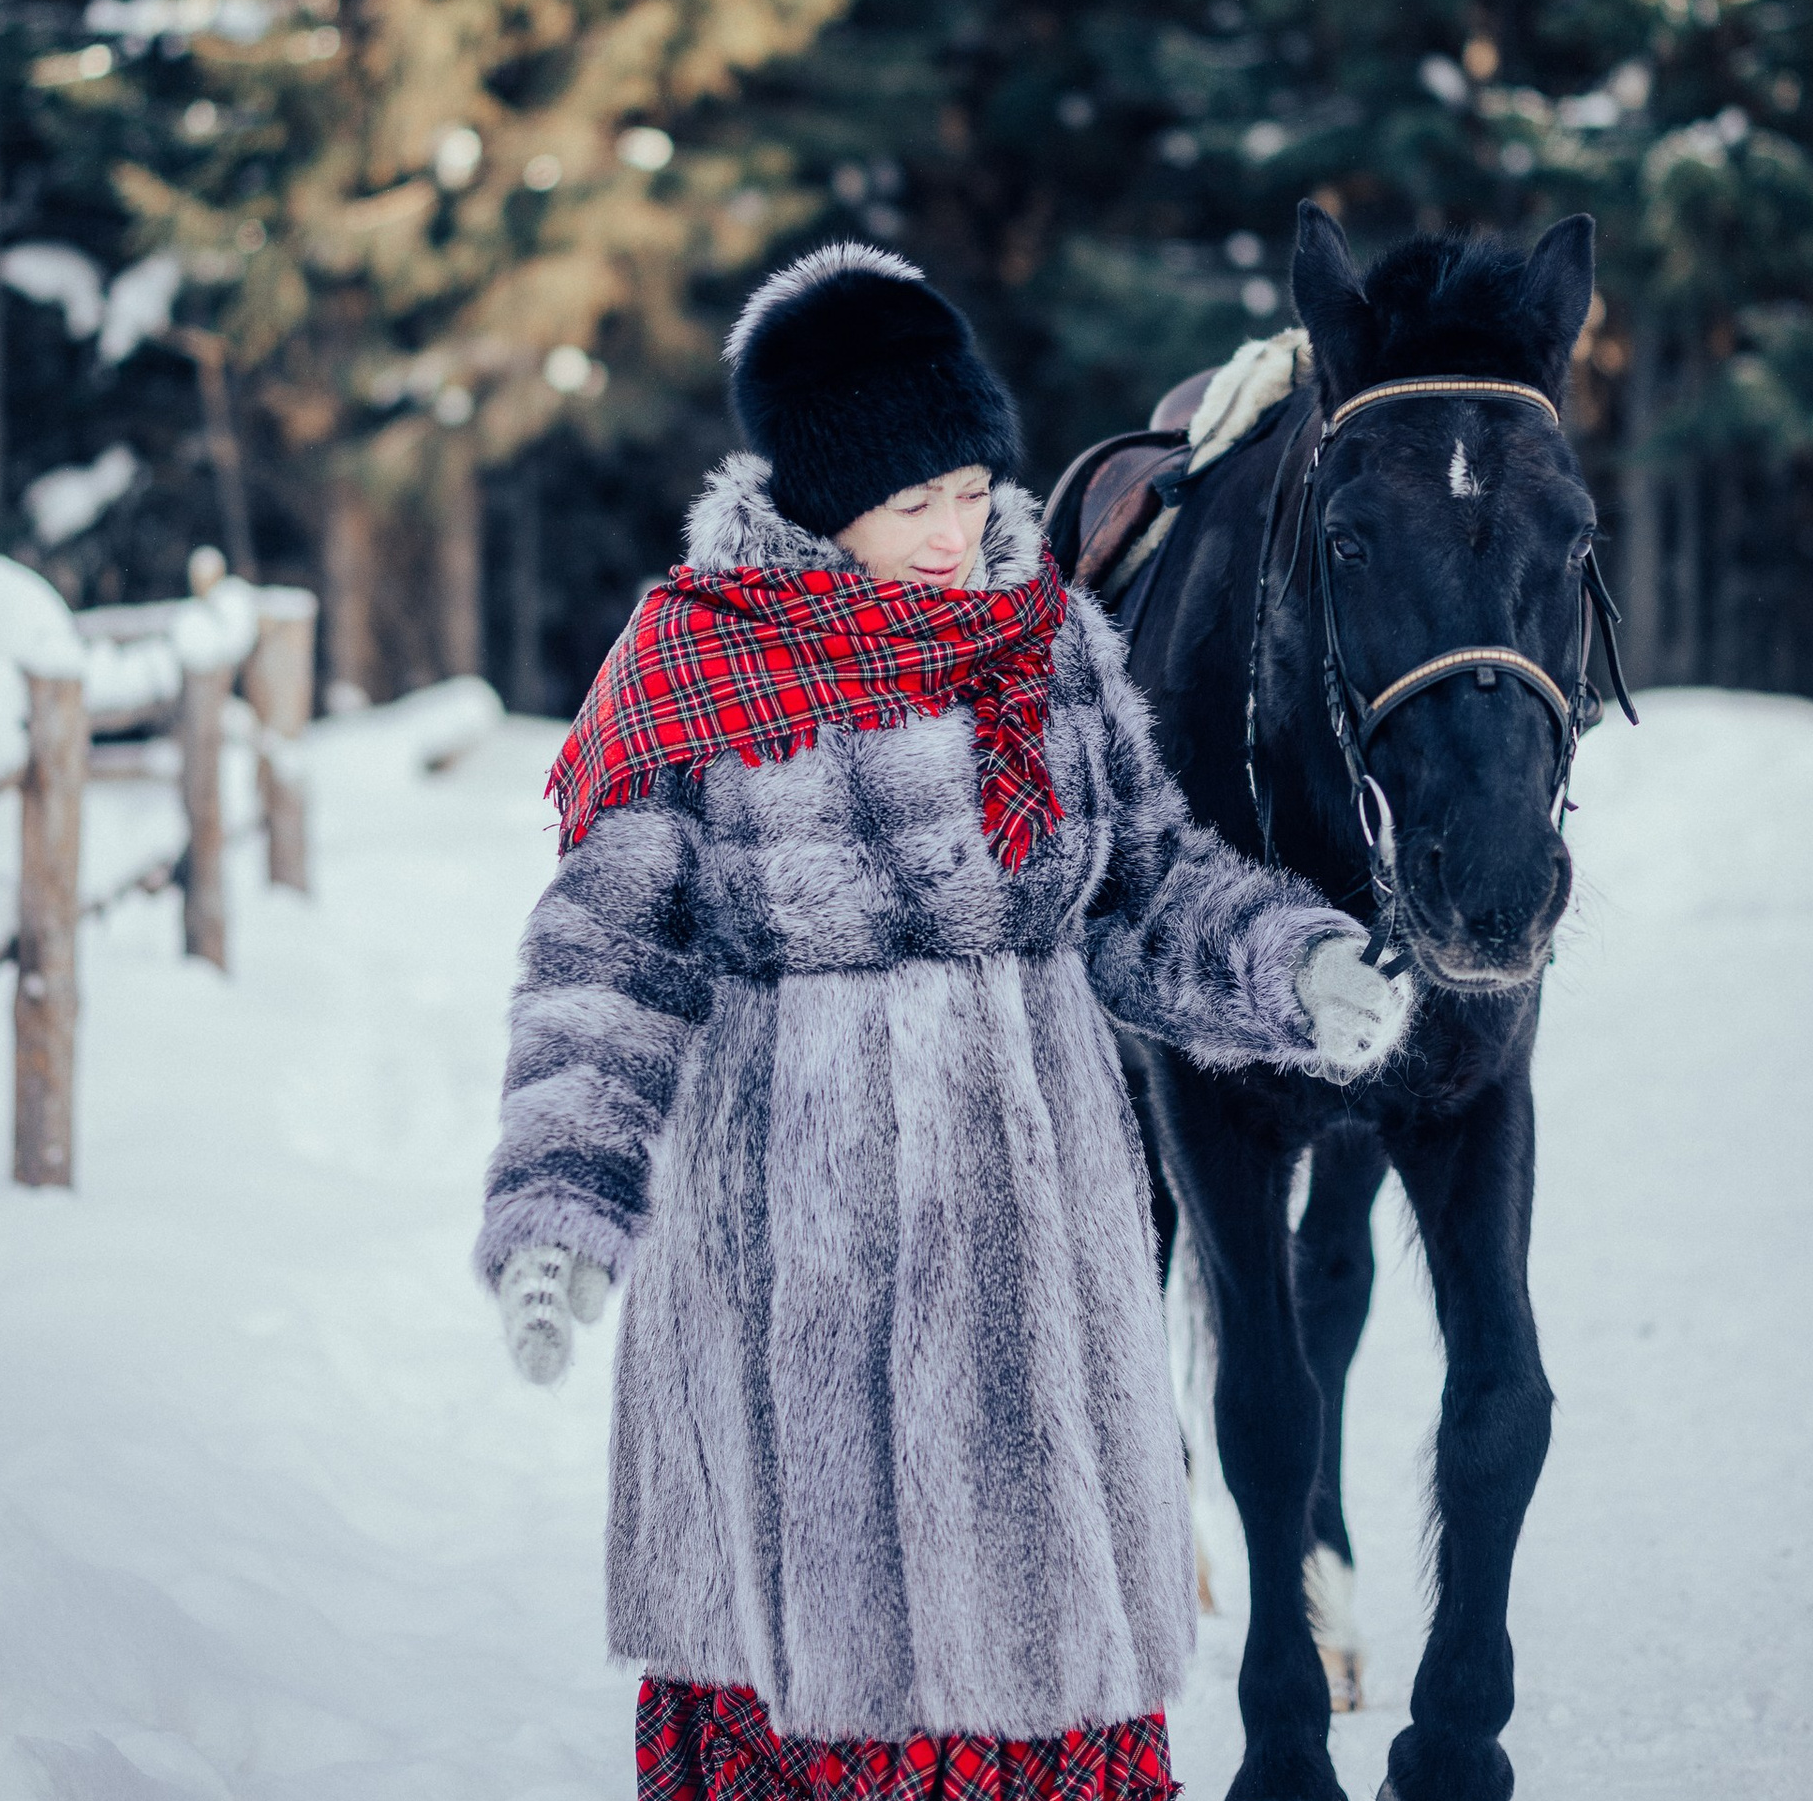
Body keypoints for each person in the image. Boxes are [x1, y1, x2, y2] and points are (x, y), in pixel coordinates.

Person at [476, 245, 1413, 1801]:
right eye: (915, 500)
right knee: (829, 1660)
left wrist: (1290, 965)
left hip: (1034, 1265)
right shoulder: (692, 668)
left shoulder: (1037, 646)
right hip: (797, 1275)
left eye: (975, 485)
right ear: (820, 497)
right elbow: (606, 966)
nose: (959, 525)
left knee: (1037, 1647)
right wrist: (563, 1212)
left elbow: (1141, 889)